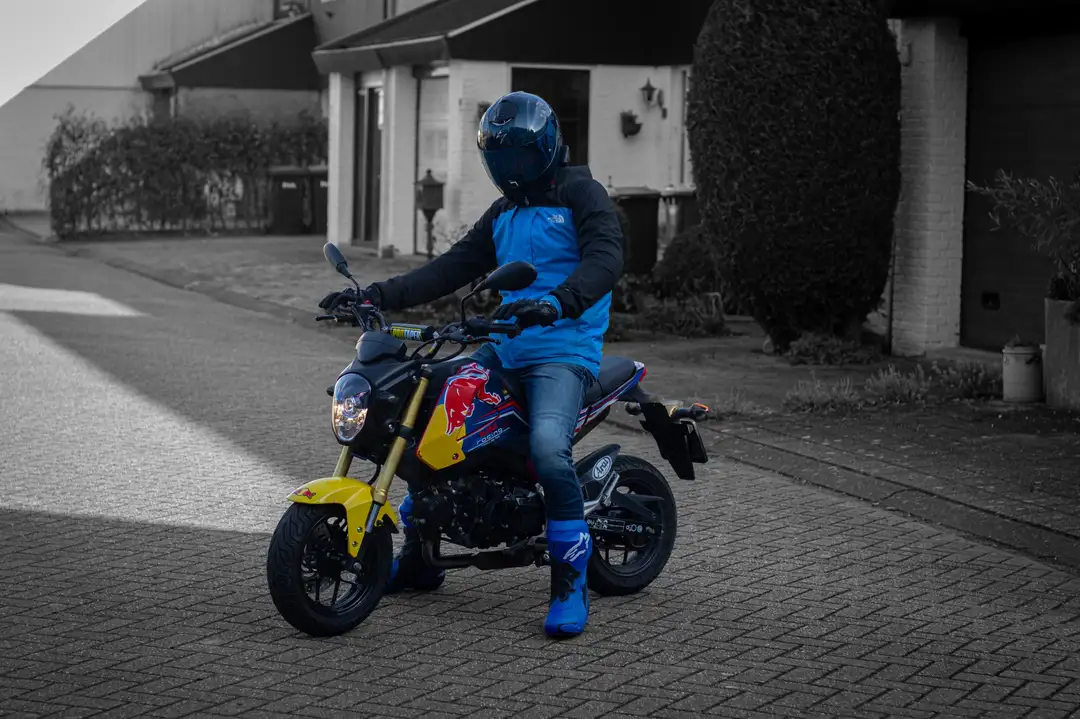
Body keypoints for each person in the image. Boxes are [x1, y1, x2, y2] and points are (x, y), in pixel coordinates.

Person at [318, 91, 624, 638]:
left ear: (548, 148)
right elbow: (451, 267)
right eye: (502, 159)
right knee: (425, 421)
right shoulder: (504, 212)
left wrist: (558, 302)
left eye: (522, 156)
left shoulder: (581, 193)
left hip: (563, 353)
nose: (513, 169)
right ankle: (420, 558)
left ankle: (570, 583)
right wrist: (376, 295)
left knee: (548, 450)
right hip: (504, 348)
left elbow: (606, 257)